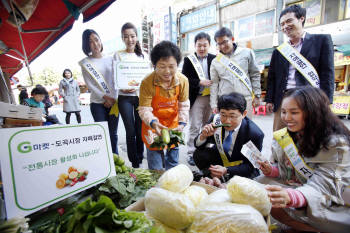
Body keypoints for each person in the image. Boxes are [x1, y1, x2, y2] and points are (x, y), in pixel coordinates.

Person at [257, 86, 350, 233]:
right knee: (257, 185)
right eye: (284, 112)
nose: (286, 118)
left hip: (332, 200)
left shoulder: (336, 143)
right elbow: (287, 171)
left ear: (313, 112)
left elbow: (325, 185)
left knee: (272, 202)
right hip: (301, 189)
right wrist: (272, 170)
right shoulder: (289, 135)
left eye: (294, 112)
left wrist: (291, 197)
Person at [265, 4, 334, 131]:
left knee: (308, 136)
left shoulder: (321, 41)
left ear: (301, 18)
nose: (285, 26)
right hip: (283, 99)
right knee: (280, 137)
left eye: (289, 21)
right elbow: (272, 77)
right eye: (282, 24)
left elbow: (327, 74)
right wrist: (269, 99)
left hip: (309, 99)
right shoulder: (279, 51)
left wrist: (327, 100)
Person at [138, 41, 190, 170]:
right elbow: (144, 109)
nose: (167, 71)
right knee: (156, 168)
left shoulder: (183, 81)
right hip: (153, 127)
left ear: (177, 65)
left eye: (172, 66)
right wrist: (154, 123)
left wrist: (182, 124)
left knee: (173, 164)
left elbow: (183, 105)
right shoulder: (147, 82)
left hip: (173, 127)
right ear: (154, 65)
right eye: (162, 66)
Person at [193, 92, 264, 180]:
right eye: (223, 115)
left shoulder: (254, 134)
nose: (227, 121)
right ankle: (213, 175)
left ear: (244, 114)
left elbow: (253, 166)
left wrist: (227, 170)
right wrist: (203, 136)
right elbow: (197, 145)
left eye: (232, 116)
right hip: (221, 160)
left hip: (240, 165)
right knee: (199, 154)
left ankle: (224, 176)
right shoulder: (215, 120)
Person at [113, 23, 149, 168]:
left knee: (141, 129)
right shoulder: (118, 54)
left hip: (140, 97)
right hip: (124, 98)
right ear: (122, 38)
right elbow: (115, 77)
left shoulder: (144, 55)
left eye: (132, 36)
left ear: (137, 37)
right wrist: (122, 86)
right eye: (126, 36)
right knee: (130, 130)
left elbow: (147, 77)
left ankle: (140, 157)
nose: (130, 39)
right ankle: (134, 161)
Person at [79, 29, 119, 154]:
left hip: (114, 103)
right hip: (97, 104)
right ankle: (105, 161)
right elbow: (90, 85)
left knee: (113, 134)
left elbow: (117, 80)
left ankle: (115, 160)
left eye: (96, 40)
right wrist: (105, 97)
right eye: (90, 42)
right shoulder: (86, 63)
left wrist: (113, 98)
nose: (95, 44)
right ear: (87, 45)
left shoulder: (112, 59)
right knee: (103, 134)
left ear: (100, 40)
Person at [210, 27, 261, 119]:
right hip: (225, 101)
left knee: (246, 128)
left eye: (225, 42)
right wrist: (214, 104)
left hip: (245, 99)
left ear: (232, 39)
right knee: (227, 129)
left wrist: (257, 95)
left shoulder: (247, 53)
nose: (222, 46)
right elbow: (214, 84)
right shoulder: (215, 61)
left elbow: (255, 74)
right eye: (219, 44)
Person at [181, 32, 216, 166]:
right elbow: (185, 79)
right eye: (199, 45)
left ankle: (205, 150)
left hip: (212, 98)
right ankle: (191, 152)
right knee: (195, 125)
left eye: (204, 45)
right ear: (195, 46)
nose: (202, 48)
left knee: (208, 125)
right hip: (198, 97)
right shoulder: (189, 60)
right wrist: (199, 82)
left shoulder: (215, 58)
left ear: (209, 45)